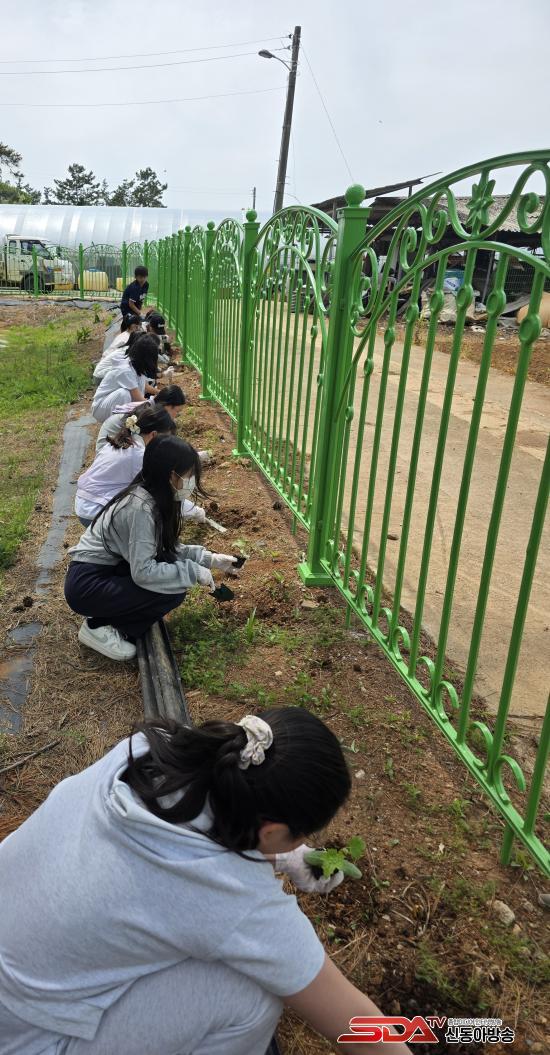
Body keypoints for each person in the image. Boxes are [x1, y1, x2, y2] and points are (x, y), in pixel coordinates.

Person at [0, 707, 411, 1055]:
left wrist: (285, 855)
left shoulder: (146, 751)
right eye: (301, 836)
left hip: (20, 972)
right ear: (271, 831)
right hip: (26, 1039)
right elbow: (351, 1018)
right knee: (248, 997)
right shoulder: (235, 902)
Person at [64, 435, 238, 661]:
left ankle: (111, 619)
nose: (191, 481)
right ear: (171, 475)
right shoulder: (140, 508)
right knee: (171, 589)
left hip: (106, 573)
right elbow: (144, 572)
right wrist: (191, 571)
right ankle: (99, 626)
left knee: (169, 576)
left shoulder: (151, 498)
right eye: (189, 475)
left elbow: (165, 549)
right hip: (89, 585)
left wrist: (208, 559)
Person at [75, 405, 176, 528]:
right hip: (96, 512)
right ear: (153, 435)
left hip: (84, 503)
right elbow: (161, 492)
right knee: (149, 505)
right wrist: (194, 511)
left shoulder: (120, 442)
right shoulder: (139, 455)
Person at [95, 383, 186, 452]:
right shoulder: (148, 414)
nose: (176, 416)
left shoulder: (150, 409)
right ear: (166, 405)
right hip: (108, 448)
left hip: (115, 444)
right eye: (177, 411)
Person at [91, 335, 158, 424]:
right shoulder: (126, 370)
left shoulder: (137, 367)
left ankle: (126, 423)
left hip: (109, 404)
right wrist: (158, 405)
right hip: (101, 408)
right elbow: (139, 399)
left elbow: (145, 387)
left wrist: (160, 393)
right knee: (124, 394)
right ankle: (117, 425)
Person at [93, 314, 143, 382]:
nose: (141, 328)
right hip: (103, 374)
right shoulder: (126, 340)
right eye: (140, 325)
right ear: (134, 326)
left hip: (103, 370)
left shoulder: (125, 335)